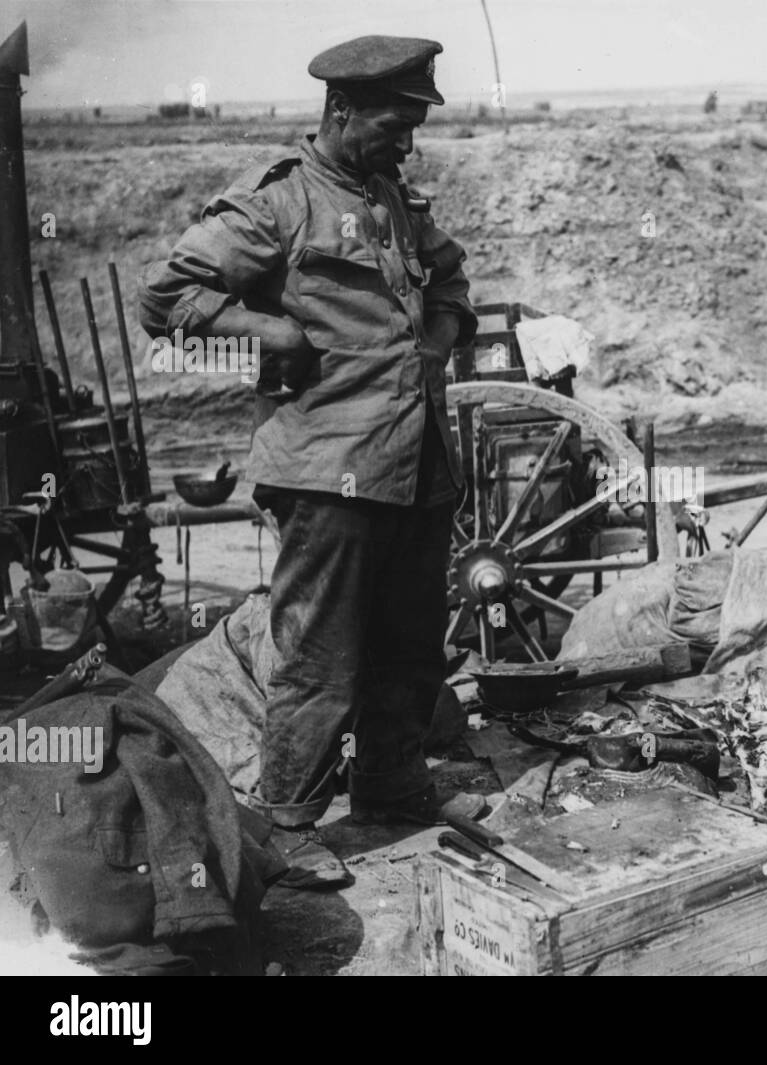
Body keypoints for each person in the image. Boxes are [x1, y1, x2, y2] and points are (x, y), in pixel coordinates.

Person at [139, 35, 482, 887]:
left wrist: (438, 341)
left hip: (415, 463)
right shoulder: (279, 208)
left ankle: (392, 788)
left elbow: (450, 283)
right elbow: (166, 297)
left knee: (410, 645)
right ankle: (287, 821)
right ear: (342, 112)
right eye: (395, 124)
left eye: (414, 125)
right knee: (318, 655)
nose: (408, 142)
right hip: (329, 471)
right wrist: (269, 330)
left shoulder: (394, 200)